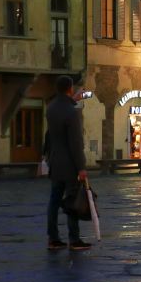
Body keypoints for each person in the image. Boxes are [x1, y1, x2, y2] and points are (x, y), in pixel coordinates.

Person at [45, 75, 90, 251]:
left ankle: (53, 238)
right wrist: (81, 167)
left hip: (55, 161)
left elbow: (62, 108)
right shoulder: (72, 112)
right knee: (73, 201)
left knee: (54, 201)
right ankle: (74, 239)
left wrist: (73, 99)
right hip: (70, 164)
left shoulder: (51, 108)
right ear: (70, 88)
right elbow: (75, 143)